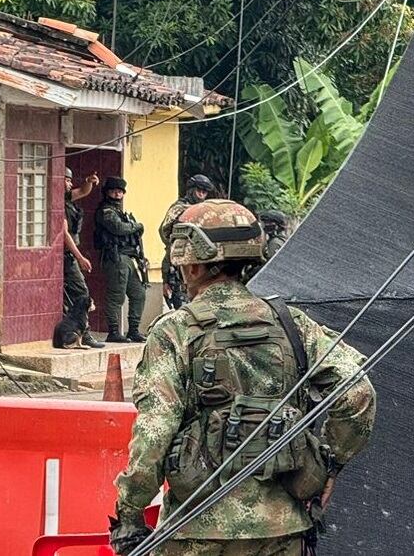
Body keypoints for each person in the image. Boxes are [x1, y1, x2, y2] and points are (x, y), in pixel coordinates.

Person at [110, 199, 376, 556]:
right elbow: (357, 393)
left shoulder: (174, 330)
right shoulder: (290, 323)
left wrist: (130, 510)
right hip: (282, 529)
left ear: (191, 265)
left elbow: (156, 429)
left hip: (198, 529)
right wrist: (330, 467)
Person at [94, 176, 148, 343]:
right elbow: (118, 228)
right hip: (115, 258)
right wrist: (136, 226)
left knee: (139, 294)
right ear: (107, 193)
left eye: (120, 192)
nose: (117, 195)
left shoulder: (121, 213)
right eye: (113, 191)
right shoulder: (106, 211)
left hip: (129, 258)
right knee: (116, 296)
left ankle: (133, 330)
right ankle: (114, 331)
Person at [159, 174, 215, 310]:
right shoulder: (179, 208)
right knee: (183, 307)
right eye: (199, 190)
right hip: (179, 262)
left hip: (199, 262)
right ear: (191, 190)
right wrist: (180, 243)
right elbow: (164, 231)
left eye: (204, 192)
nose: (201, 194)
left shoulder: (205, 210)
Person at [64, 168, 103, 348]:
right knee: (81, 294)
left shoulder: (66, 198)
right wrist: (79, 257)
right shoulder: (57, 203)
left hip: (70, 254)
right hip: (66, 255)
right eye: (66, 180)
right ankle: (83, 334)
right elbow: (65, 235)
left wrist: (89, 180)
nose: (70, 184)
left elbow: (83, 191)